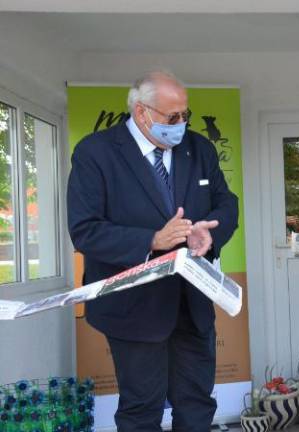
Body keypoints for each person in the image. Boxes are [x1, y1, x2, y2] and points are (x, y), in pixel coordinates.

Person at [67, 71, 239, 432]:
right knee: (141, 410)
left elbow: (226, 203)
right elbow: (85, 230)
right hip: (133, 308)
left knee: (197, 404)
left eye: (186, 115)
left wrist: (210, 233)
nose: (182, 124)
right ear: (142, 112)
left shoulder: (198, 148)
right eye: (172, 117)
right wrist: (152, 240)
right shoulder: (95, 153)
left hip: (192, 305)